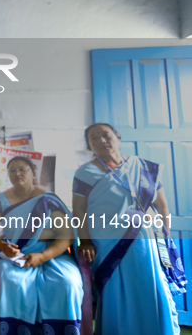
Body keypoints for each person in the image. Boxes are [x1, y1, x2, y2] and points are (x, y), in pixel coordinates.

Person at [73, 123, 186, 335]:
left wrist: (164, 238)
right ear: (90, 146)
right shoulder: (84, 172)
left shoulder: (145, 167)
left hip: (147, 244)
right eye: (94, 138)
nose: (101, 140)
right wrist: (85, 241)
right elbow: (79, 210)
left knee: (151, 286)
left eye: (105, 135)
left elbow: (162, 206)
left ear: (118, 138)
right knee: (118, 290)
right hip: (107, 243)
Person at [0, 156, 83, 335]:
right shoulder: (1, 200)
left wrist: (43, 256)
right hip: (17, 255)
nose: (17, 173)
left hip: (54, 255)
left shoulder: (48, 200)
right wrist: (2, 245)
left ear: (33, 173)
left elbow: (66, 235)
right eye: (12, 170)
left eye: (22, 169)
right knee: (11, 281)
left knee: (67, 283)